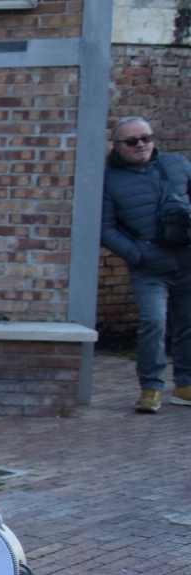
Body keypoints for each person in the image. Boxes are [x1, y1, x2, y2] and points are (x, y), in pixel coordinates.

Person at [99, 115, 191, 413]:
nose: (141, 145)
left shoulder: (177, 164)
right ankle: (151, 387)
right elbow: (105, 228)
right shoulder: (110, 181)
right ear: (117, 145)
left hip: (187, 262)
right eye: (132, 141)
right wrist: (138, 254)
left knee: (187, 324)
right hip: (149, 270)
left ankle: (185, 385)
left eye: (146, 138)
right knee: (154, 322)